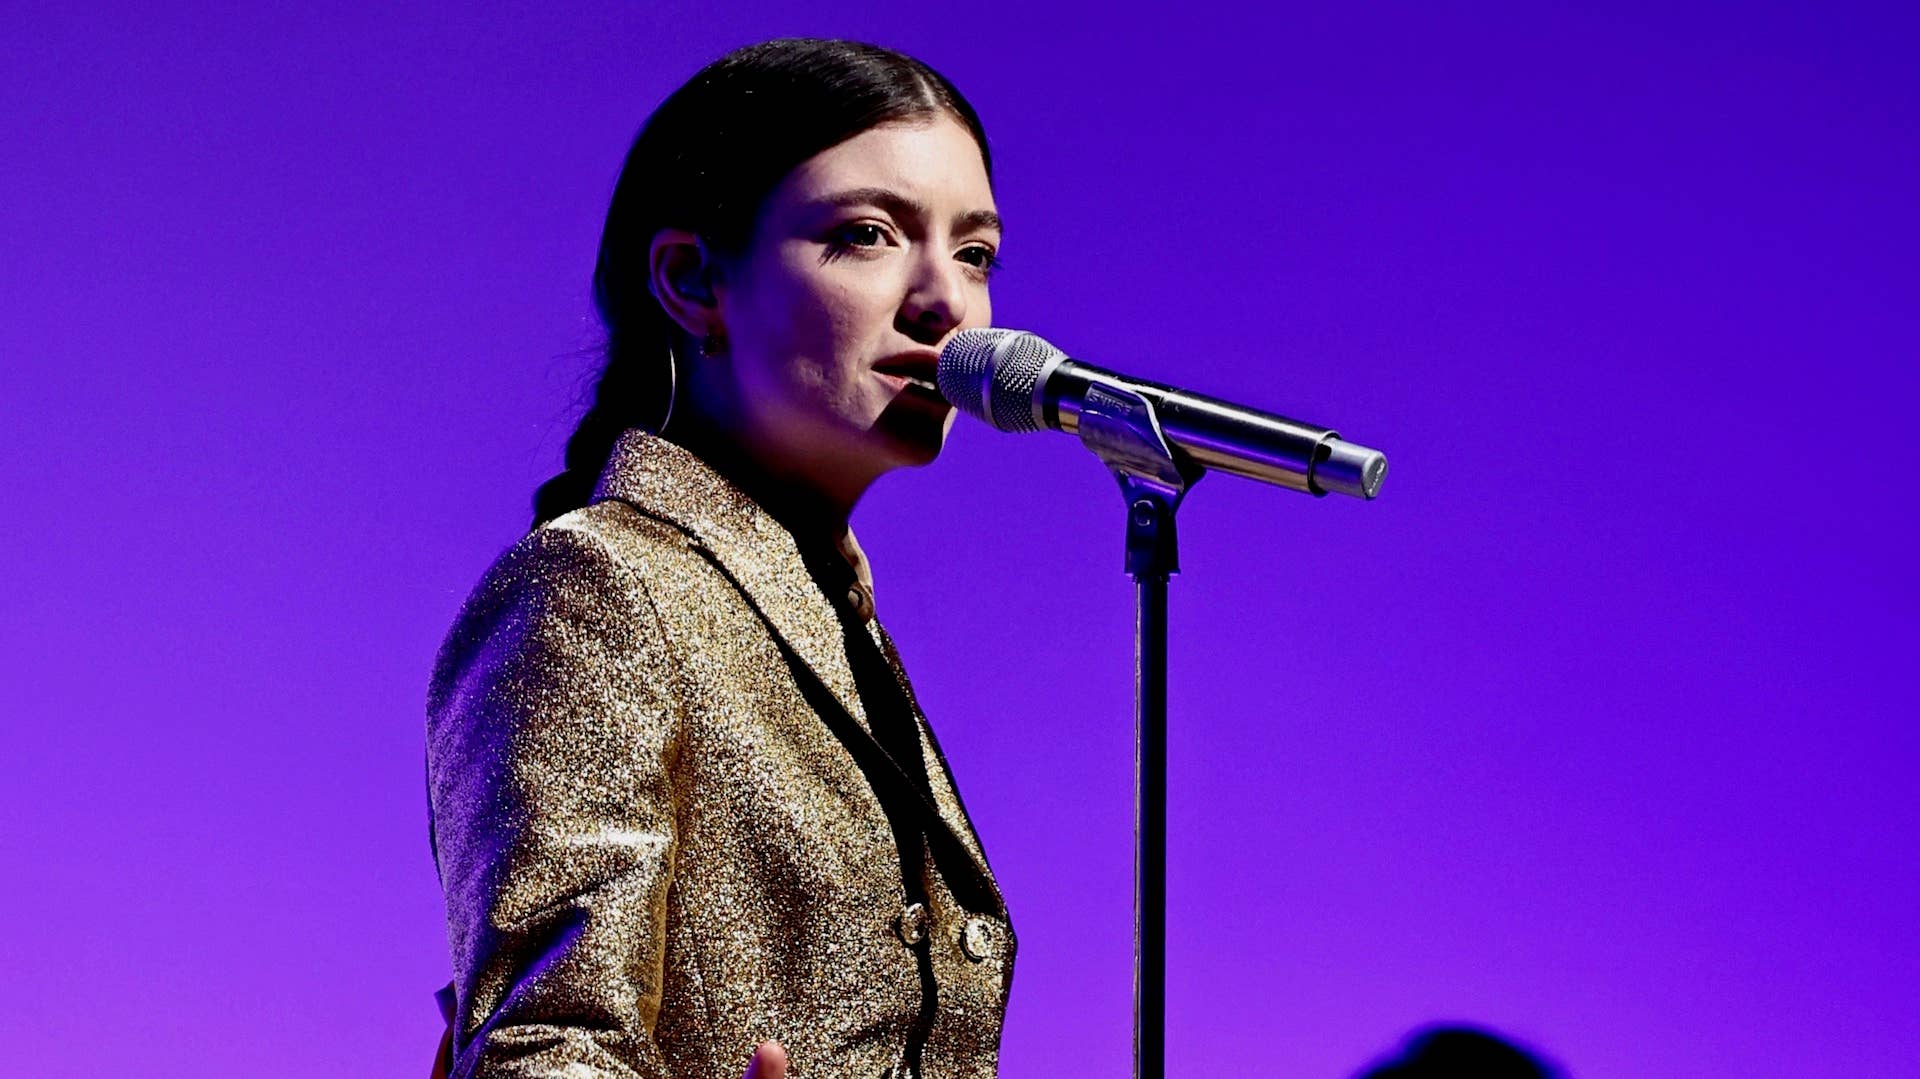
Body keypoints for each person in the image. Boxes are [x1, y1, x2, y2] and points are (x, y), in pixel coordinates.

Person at [424, 37, 1013, 1079]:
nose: (946, 302)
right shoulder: (599, 587)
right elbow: (543, 1048)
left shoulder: (830, 614)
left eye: (975, 253)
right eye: (870, 234)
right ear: (693, 280)